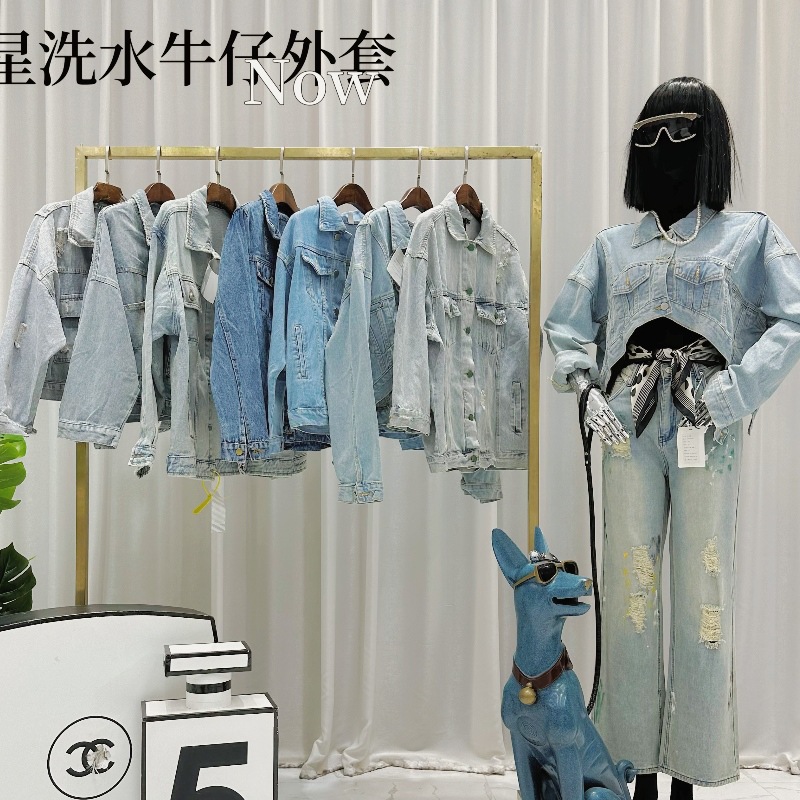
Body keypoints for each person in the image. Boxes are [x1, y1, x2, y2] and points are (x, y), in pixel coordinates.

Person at [544, 76, 800, 798]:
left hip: (704, 419)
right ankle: (635, 767)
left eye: (681, 134)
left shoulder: (749, 236)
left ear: (709, 144)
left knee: (702, 590)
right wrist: (587, 389)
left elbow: (792, 316)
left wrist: (732, 392)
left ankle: (690, 767)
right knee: (630, 587)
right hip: (626, 422)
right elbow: (565, 326)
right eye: (648, 135)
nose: (663, 149)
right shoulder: (612, 247)